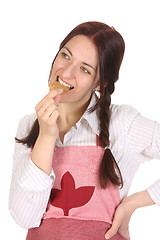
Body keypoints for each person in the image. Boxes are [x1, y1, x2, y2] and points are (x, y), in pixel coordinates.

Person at [9, 21, 160, 240]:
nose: (66, 73)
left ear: (100, 83)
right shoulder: (29, 124)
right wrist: (46, 137)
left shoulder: (123, 123)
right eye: (65, 55)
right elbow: (25, 219)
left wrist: (133, 203)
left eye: (84, 69)